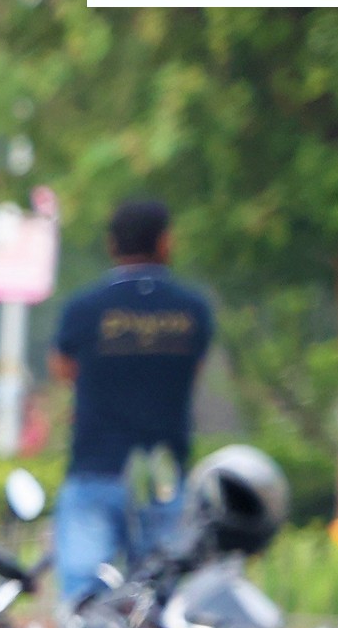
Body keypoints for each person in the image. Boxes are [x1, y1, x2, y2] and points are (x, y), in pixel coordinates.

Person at [47, 198, 218, 603]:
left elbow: (62, 368)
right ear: (165, 242)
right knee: (161, 598)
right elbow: (195, 371)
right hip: (164, 473)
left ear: (112, 245)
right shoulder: (192, 310)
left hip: (96, 467)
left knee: (86, 602)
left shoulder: (85, 308)